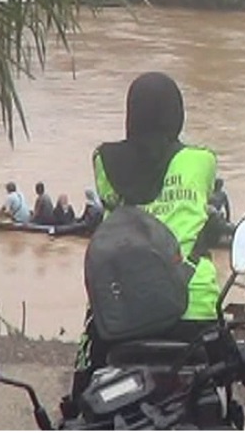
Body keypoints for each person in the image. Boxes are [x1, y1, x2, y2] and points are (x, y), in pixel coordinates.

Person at [65, 72, 220, 415]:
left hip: (122, 307)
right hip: (192, 305)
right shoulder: (201, 160)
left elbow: (110, 202)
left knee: (85, 399)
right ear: (176, 114)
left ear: (130, 114)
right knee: (219, 385)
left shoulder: (103, 161)